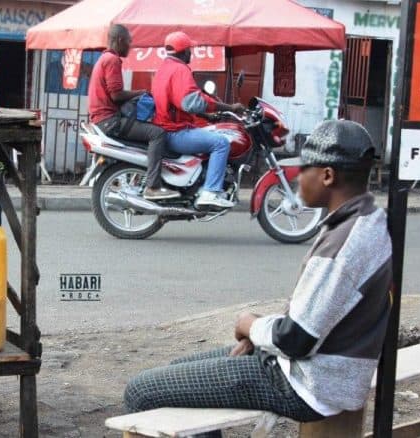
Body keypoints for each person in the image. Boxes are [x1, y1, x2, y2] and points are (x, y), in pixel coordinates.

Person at [123, 120, 392, 437]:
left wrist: (249, 324)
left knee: (140, 391)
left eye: (304, 170)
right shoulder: (367, 221)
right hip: (325, 371)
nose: (297, 178)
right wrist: (263, 333)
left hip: (307, 384)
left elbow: (296, 339)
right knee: (177, 373)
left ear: (328, 176)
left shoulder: (342, 246)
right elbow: (316, 318)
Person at [152, 32, 245, 210]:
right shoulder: (180, 70)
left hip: (167, 128)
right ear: (183, 51)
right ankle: (210, 192)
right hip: (176, 132)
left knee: (211, 136)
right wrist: (229, 107)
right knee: (221, 143)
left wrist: (207, 116)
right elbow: (193, 102)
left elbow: (181, 102)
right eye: (189, 50)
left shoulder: (164, 68)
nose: (191, 53)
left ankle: (203, 183)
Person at [87, 24, 172, 200]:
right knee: (157, 133)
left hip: (102, 120)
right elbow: (116, 95)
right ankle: (153, 186)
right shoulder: (113, 60)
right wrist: (141, 92)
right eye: (128, 42)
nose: (130, 46)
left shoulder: (103, 59)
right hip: (110, 121)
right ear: (120, 40)